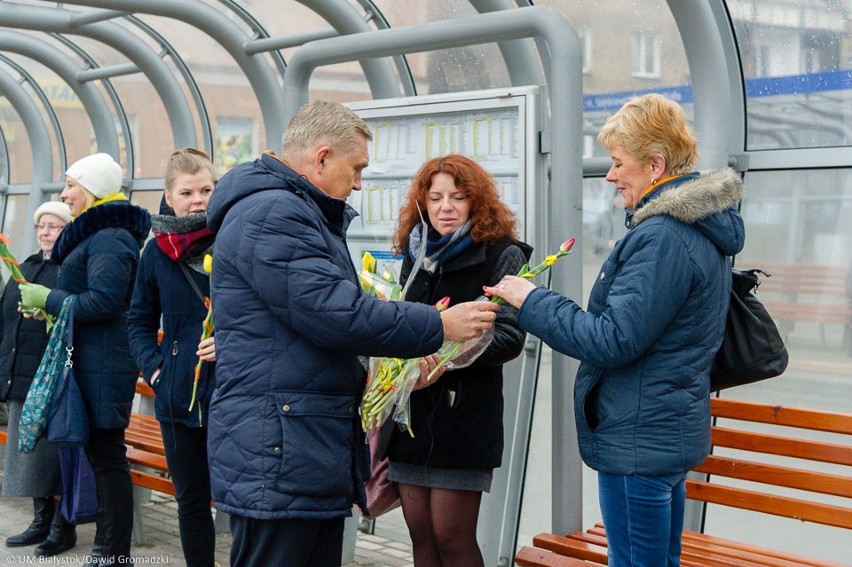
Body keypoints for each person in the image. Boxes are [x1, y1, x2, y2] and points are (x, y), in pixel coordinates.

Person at [205, 100, 499, 567]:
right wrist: (439, 325)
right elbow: (335, 314)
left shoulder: (289, 210)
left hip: (295, 437)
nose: (360, 182)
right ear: (322, 158)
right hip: (282, 443)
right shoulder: (273, 214)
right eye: (356, 167)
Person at [484, 93, 745, 567]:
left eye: (617, 162)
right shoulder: (699, 229)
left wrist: (531, 300)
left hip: (638, 441)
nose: (610, 175)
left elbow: (613, 339)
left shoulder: (663, 236)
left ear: (655, 165)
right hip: (664, 432)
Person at [384, 154, 531, 567]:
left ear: (476, 202)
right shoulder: (415, 252)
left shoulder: (500, 254)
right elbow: (399, 323)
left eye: (457, 197)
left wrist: (445, 360)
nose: (445, 208)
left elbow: (508, 337)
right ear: (422, 202)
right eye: (435, 198)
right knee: (421, 538)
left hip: (464, 417)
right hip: (412, 414)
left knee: (452, 538)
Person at [19, 153, 151, 565]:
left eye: (72, 185)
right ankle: (107, 549)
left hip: (103, 363)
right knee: (101, 456)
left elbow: (106, 301)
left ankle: (113, 552)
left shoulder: (110, 235)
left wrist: (51, 299)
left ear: (92, 189)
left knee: (108, 458)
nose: (64, 193)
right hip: (94, 360)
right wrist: (51, 307)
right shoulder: (99, 232)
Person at [128, 148, 217, 567]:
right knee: (192, 500)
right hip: (177, 397)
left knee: (242, 498)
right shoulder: (156, 253)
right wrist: (158, 370)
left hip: (233, 393)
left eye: (206, 189)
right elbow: (137, 320)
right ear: (168, 195)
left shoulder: (235, 238)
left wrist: (231, 342)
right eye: (187, 192)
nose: (198, 200)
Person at [1, 202, 76, 557]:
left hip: (52, 377)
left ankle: (64, 526)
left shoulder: (70, 269)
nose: (45, 232)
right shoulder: (26, 267)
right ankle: (40, 519)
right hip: (22, 375)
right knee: (29, 450)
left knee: (53, 452)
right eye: (41, 226)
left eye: (55, 227)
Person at [591, 188, 626, 256]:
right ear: (613, 198)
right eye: (618, 197)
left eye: (623, 197)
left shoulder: (632, 216)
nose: (620, 199)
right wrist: (607, 243)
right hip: (607, 257)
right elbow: (591, 236)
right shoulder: (604, 216)